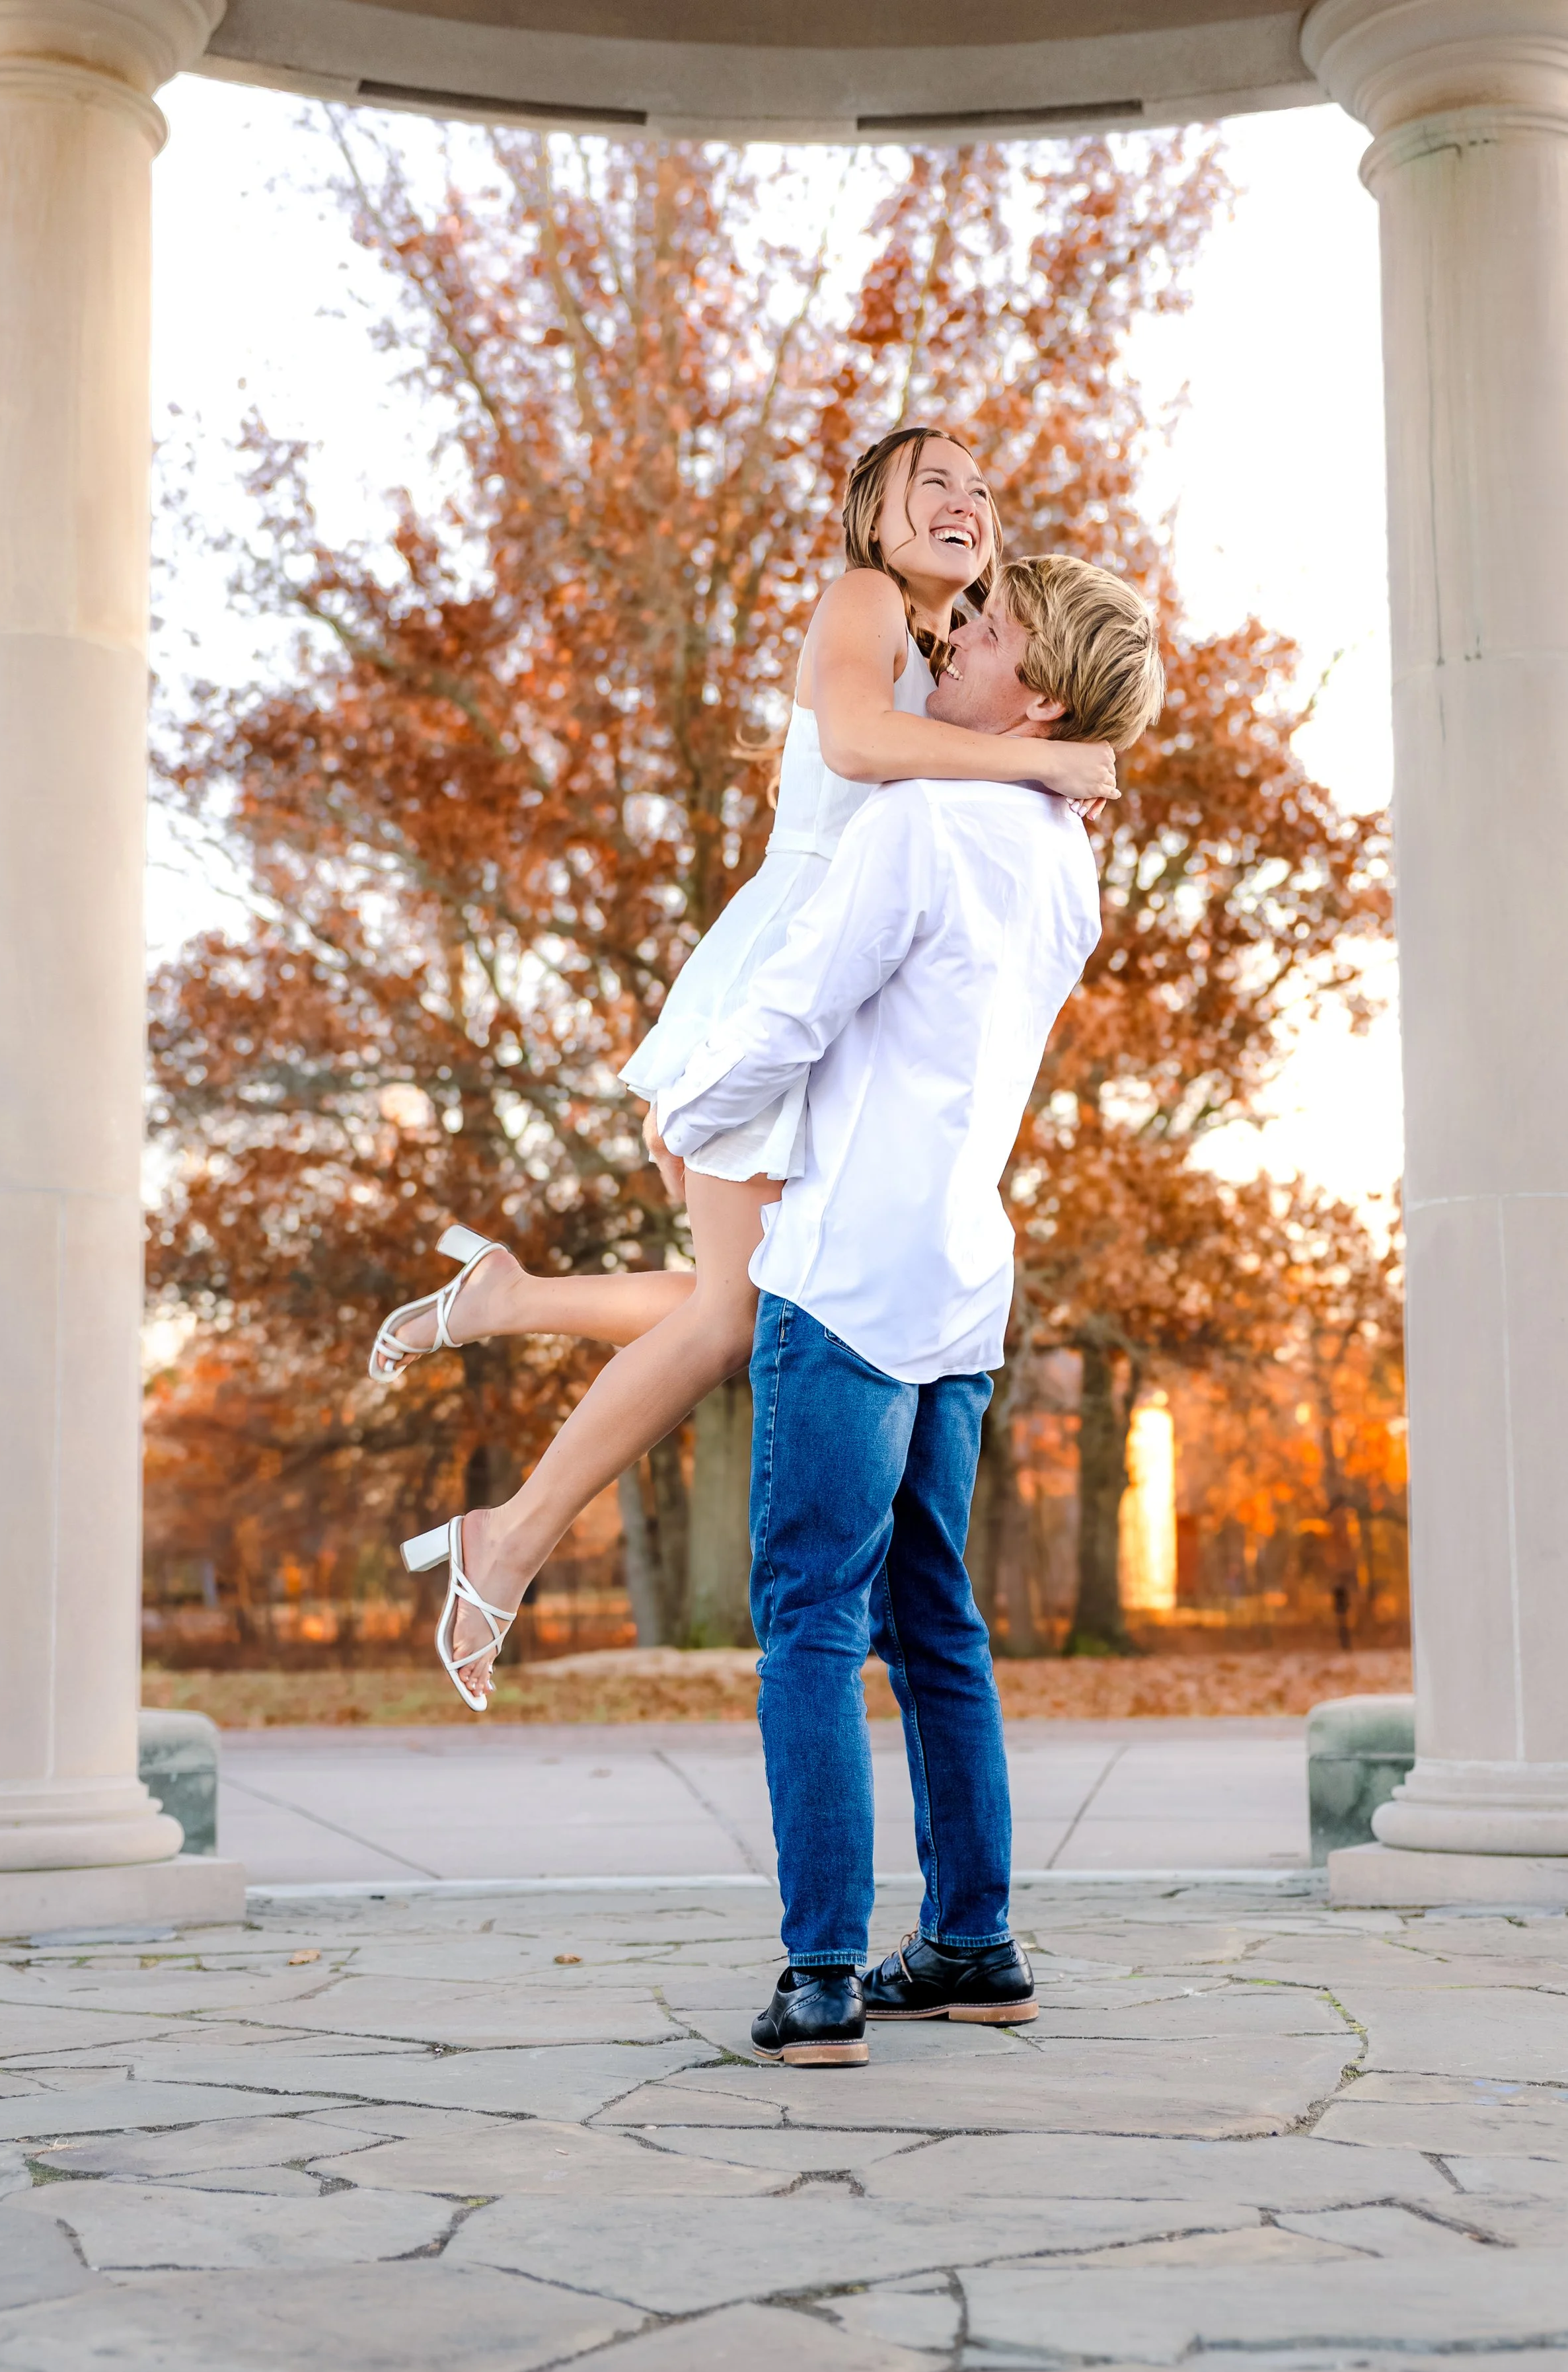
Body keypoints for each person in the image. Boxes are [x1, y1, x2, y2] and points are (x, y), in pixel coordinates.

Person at [368, 430, 1116, 1705]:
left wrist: (1035, 761)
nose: (965, 500)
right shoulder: (864, 602)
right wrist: (1043, 757)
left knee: (766, 1296)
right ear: (872, 517)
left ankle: (507, 1305)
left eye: (981, 490)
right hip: (777, 978)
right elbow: (864, 743)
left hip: (834, 990)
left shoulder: (954, 664)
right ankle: (513, 1532)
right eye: (931, 479)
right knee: (738, 1312)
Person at [652, 555, 1166, 2065]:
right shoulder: (1063, 854)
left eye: (987, 632)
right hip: (959, 1278)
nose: (954, 635)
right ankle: (972, 1939)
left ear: (1041, 693)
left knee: (808, 1619)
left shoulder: (924, 819)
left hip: (847, 1274)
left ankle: (819, 1977)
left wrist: (685, 1114)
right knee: (934, 1620)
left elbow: (797, 1006)